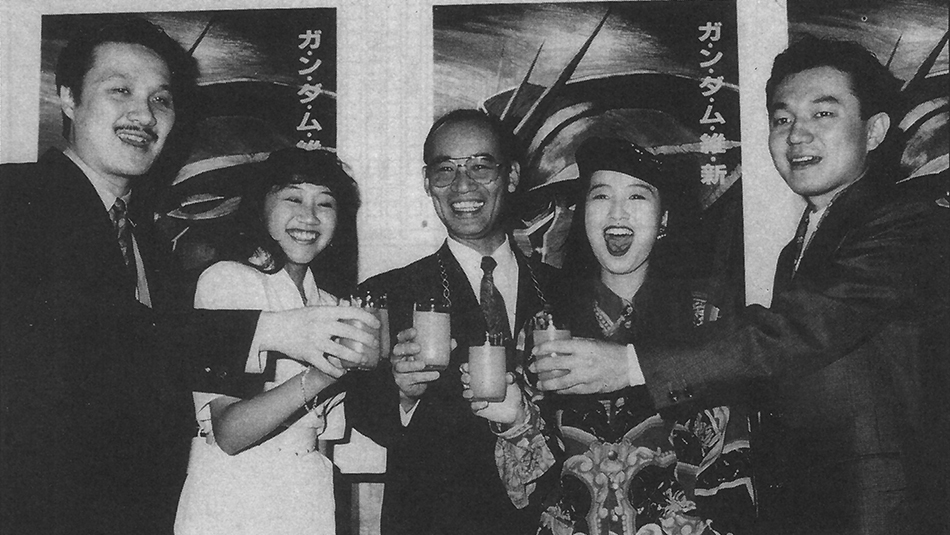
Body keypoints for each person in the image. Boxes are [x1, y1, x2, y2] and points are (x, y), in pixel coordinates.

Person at [530, 37, 949, 534]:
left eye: (823, 114)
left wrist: (629, 363)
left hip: (879, 504)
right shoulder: (803, 242)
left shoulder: (908, 222)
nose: (797, 135)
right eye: (782, 119)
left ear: (874, 130)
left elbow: (799, 330)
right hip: (815, 502)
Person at [0, 19, 377, 534]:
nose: (143, 114)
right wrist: (271, 330)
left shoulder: (148, 242)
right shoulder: (17, 199)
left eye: (161, 99)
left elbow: (158, 380)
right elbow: (84, 332)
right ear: (68, 97)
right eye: (120, 90)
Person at [463, 137, 755, 535]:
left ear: (664, 219)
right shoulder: (544, 328)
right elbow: (530, 494)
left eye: (637, 196)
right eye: (601, 196)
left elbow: (731, 477)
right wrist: (515, 421)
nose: (617, 212)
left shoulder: (707, 319)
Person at [343, 109, 558, 535]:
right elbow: (361, 410)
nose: (463, 185)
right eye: (445, 170)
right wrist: (402, 394)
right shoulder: (388, 292)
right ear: (428, 183)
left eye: (481, 166)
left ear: (511, 176)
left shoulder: (564, 290)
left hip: (548, 521)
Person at [174, 148, 361, 534]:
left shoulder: (331, 304)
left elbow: (322, 435)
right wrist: (327, 372)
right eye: (293, 198)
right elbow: (229, 433)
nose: (309, 217)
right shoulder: (226, 281)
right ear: (260, 207)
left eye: (325, 203)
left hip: (307, 492)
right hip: (235, 494)